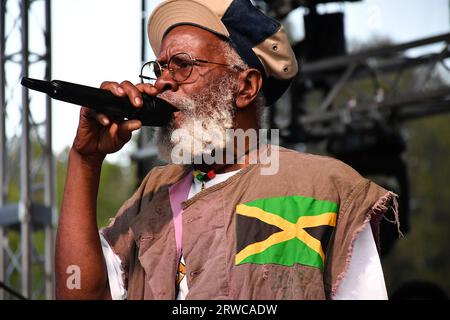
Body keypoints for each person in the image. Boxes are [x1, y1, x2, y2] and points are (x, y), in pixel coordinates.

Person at [55, 0, 399, 300]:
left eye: (183, 64)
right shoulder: (152, 194)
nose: (162, 83)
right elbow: (78, 294)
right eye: (160, 69)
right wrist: (85, 160)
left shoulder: (326, 187)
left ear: (246, 86)